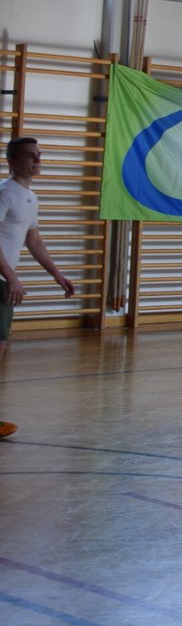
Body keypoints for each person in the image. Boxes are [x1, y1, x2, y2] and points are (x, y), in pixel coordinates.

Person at [0, 138, 76, 438]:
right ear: (12, 161)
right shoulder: (5, 193)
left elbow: (33, 240)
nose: (37, 161)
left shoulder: (30, 198)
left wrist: (56, 274)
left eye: (39, 155)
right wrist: (11, 278)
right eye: (30, 156)